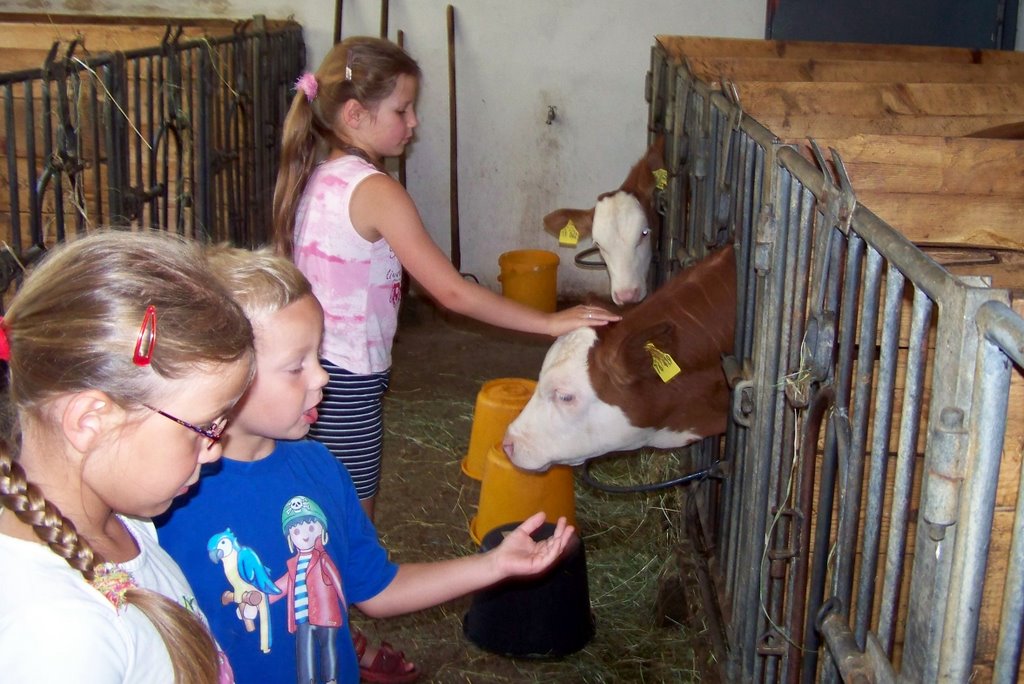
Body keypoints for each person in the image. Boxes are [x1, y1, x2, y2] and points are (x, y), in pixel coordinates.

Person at [157, 246, 576, 684]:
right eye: (296, 366)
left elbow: (379, 590)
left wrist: (493, 566)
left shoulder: (321, 469)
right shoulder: (171, 499)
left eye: (319, 356)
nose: (322, 377)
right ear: (226, 375)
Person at [272, 36, 620, 520]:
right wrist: (548, 323)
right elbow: (450, 291)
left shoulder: (318, 174)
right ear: (354, 115)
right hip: (346, 382)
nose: (414, 123)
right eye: (402, 110)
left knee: (313, 507)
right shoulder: (375, 191)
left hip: (311, 368)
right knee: (351, 525)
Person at [0, 230, 256, 683]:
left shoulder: (125, 520)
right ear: (91, 420)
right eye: (204, 427)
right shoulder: (58, 635)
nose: (216, 448)